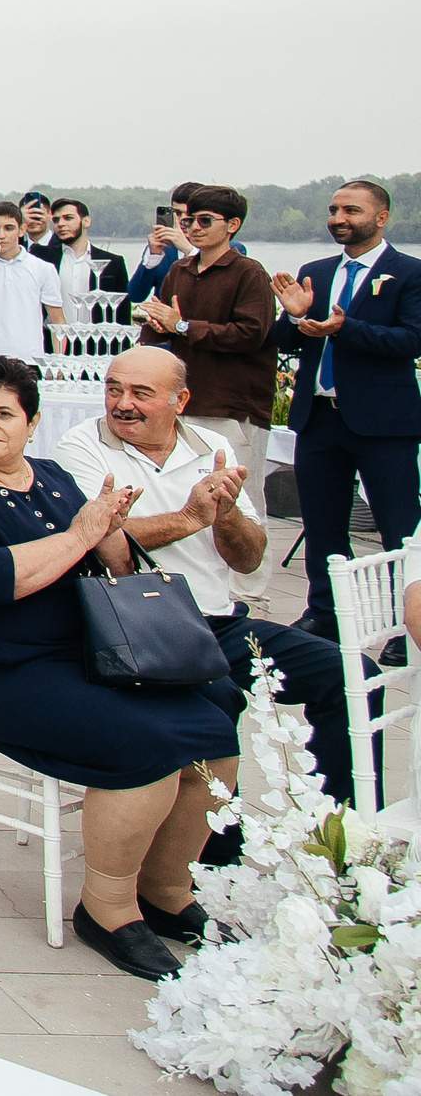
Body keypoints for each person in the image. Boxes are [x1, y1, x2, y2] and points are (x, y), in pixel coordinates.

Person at [0, 357, 240, 979]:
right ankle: (107, 908)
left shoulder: (52, 476)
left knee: (215, 730)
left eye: (5, 414)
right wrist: (82, 535)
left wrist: (121, 525)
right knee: (148, 745)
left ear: (31, 423)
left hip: (76, 656)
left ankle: (167, 892)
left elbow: (108, 560)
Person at [53, 348, 366, 865]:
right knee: (217, 703)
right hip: (134, 628)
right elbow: (100, 536)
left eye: (140, 394)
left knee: (350, 679)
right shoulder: (82, 445)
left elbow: (248, 559)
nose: (122, 404)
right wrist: (193, 515)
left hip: (215, 622)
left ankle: (332, 844)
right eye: (114, 389)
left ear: (181, 401)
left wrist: (224, 516)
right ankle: (211, 864)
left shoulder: (213, 444)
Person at [272, 180, 421, 641]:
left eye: (351, 210)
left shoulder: (409, 273)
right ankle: (325, 615)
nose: (338, 218)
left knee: (400, 528)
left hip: (384, 421)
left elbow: (412, 341)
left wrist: (344, 328)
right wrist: (296, 316)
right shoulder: (315, 269)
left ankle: (403, 624)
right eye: (334, 210)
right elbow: (284, 341)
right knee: (321, 523)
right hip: (319, 418)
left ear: (381, 218)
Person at [134, 183, 278, 527]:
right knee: (182, 498)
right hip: (183, 404)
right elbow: (160, 329)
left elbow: (251, 334)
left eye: (204, 221)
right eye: (188, 222)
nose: (194, 228)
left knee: (240, 504)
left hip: (232, 408)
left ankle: (247, 581)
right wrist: (152, 324)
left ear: (233, 225)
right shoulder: (179, 271)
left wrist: (183, 326)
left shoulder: (250, 272)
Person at [0, 202, 64, 365]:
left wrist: (59, 362)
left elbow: (57, 319)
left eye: (9, 228)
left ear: (22, 230)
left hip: (28, 358)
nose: (1, 235)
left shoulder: (43, 269)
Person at [38, 199, 129, 314]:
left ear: (86, 221)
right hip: (55, 331)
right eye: (56, 220)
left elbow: (123, 310)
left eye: (68, 218)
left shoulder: (113, 262)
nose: (60, 224)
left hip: (97, 331)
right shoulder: (43, 258)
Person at [127, 182, 204, 308]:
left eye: (189, 214)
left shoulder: (229, 248)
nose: (182, 220)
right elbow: (135, 295)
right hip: (163, 325)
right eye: (178, 213)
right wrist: (152, 258)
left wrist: (189, 250)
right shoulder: (164, 248)